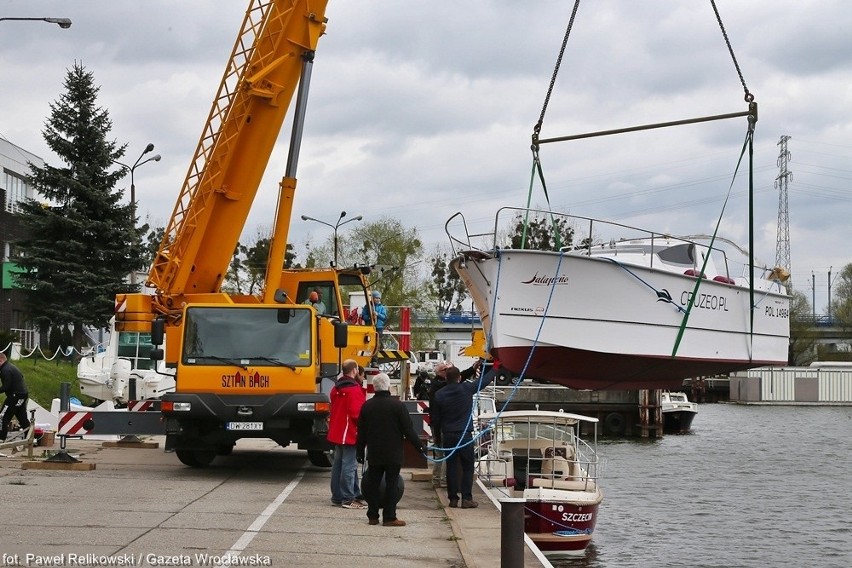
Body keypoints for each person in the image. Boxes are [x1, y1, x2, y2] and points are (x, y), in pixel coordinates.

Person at [356, 372, 426, 527]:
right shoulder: (398, 406)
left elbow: (361, 432)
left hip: (374, 452)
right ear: (388, 386)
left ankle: (373, 516)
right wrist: (419, 447)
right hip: (393, 453)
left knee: (372, 484)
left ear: (374, 387)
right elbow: (408, 430)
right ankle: (389, 517)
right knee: (392, 484)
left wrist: (359, 452)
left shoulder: (367, 406)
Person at [431, 365, 495, 509]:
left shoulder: (439, 394)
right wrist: (496, 368)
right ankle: (467, 498)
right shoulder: (466, 389)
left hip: (447, 435)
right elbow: (483, 381)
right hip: (464, 435)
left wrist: (437, 438)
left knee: (451, 467)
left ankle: (453, 499)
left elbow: (436, 418)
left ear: (446, 379)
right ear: (459, 378)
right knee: (467, 467)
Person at [327, 359, 367, 509]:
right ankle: (348, 498)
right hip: (349, 432)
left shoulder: (335, 389)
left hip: (337, 431)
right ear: (355, 370)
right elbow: (357, 414)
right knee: (349, 466)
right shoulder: (354, 390)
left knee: (338, 465)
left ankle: (338, 496)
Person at [0, 352, 30, 442]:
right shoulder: (10, 367)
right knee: (22, 417)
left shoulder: (5, 370)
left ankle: (1, 438)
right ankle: (31, 437)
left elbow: (6, 386)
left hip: (15, 395)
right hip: (22, 394)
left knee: (2, 416)